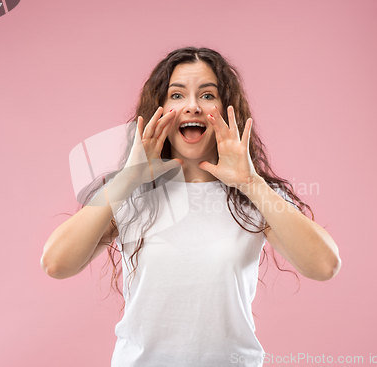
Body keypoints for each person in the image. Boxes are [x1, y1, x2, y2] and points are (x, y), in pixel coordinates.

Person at [41, 47, 341, 367]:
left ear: (226, 111)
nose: (193, 106)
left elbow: (324, 266)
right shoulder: (130, 194)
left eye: (208, 95)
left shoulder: (255, 197)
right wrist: (128, 179)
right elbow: (56, 264)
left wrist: (251, 183)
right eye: (177, 95)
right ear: (159, 109)